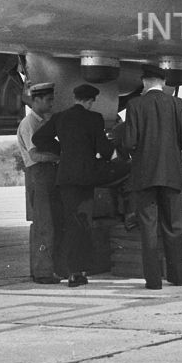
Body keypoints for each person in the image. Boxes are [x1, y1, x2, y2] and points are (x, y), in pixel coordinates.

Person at [32, 83, 116, 287]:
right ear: (90, 101)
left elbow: (38, 138)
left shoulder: (60, 117)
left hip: (65, 178)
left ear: (75, 98)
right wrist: (113, 153)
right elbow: (103, 148)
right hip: (85, 178)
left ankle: (69, 270)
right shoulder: (94, 118)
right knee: (83, 223)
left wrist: (62, 150)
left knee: (70, 223)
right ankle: (78, 273)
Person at [121, 65, 182, 289]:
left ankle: (153, 281)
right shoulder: (178, 104)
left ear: (144, 82)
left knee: (148, 227)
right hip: (171, 173)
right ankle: (178, 276)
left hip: (144, 175)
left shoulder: (135, 105)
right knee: (174, 225)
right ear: (164, 83)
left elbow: (129, 142)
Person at [16, 82, 63, 284]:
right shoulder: (29, 124)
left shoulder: (42, 121)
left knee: (49, 222)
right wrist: (59, 158)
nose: (51, 103)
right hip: (39, 175)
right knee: (44, 225)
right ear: (36, 100)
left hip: (47, 175)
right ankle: (43, 273)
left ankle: (48, 269)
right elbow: (34, 155)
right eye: (48, 100)